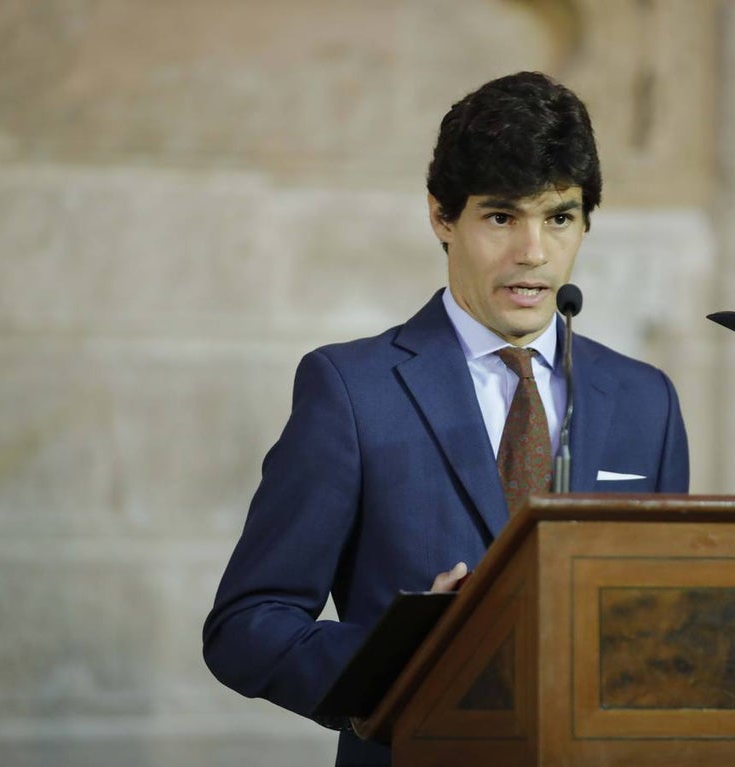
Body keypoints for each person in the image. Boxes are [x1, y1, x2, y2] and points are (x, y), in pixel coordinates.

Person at [202, 71, 690, 766]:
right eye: (501, 217)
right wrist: (403, 657)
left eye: (558, 217)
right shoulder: (351, 390)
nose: (533, 252)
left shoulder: (648, 400)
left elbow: (667, 626)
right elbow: (246, 625)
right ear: (441, 216)